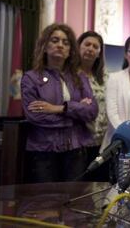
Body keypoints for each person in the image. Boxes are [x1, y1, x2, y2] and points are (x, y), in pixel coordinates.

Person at [21, 23, 98, 183]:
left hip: (76, 150)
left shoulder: (80, 78)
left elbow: (92, 111)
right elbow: (36, 116)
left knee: (73, 201)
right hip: (44, 151)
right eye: (55, 40)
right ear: (45, 46)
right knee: (46, 203)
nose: (60, 45)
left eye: (65, 42)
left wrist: (59, 108)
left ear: (70, 50)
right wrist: (77, 114)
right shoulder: (31, 78)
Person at [77, 31, 109, 181]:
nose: (90, 49)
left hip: (103, 141)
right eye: (87, 44)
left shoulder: (105, 76)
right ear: (78, 47)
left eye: (95, 47)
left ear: (99, 53)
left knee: (98, 185)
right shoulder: (70, 75)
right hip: (80, 140)